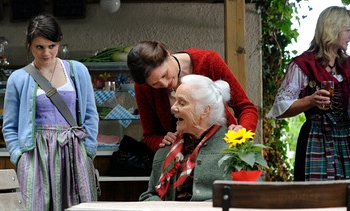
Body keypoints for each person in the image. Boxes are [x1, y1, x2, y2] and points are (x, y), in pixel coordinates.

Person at [2, 14, 99, 210]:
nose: (46, 52)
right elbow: (9, 126)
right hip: (35, 154)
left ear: (59, 42)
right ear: (29, 45)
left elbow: (90, 114)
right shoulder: (18, 78)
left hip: (73, 152)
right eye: (39, 47)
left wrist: (88, 150)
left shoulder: (77, 71)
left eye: (51, 46)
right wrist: (19, 157)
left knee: (79, 207)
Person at [127, 41, 258, 152]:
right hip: (180, 163)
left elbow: (246, 108)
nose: (165, 84)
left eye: (164, 74)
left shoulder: (208, 61)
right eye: (155, 84)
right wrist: (162, 141)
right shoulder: (143, 88)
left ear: (167, 54)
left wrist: (242, 132)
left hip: (224, 150)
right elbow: (150, 135)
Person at [268, 6, 350, 181]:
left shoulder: (348, 65)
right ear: (333, 29)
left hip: (347, 140)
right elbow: (280, 108)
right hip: (316, 139)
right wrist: (310, 101)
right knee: (316, 199)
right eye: (347, 30)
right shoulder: (302, 65)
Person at [140, 74, 230, 201]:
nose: (173, 108)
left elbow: (247, 198)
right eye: (175, 100)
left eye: (182, 103)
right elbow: (148, 196)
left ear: (205, 110)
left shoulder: (235, 149)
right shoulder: (166, 149)